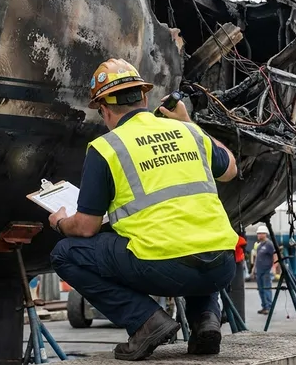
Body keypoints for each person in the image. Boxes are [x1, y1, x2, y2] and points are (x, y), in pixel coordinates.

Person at [49, 58, 239, 361]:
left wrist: (60, 222)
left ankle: (145, 321)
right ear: (145, 98)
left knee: (64, 253)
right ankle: (205, 319)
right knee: (196, 237)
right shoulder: (189, 133)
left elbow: (86, 227)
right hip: (223, 267)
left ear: (105, 109)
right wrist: (188, 122)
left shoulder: (106, 147)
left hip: (164, 270)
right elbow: (230, 167)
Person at [251, 225, 278, 315]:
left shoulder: (269, 244)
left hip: (266, 270)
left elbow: (275, 256)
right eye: (258, 233)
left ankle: (269, 307)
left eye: (260, 233)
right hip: (259, 271)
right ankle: (264, 306)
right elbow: (257, 258)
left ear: (265, 234)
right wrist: (253, 270)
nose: (258, 235)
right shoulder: (259, 246)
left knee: (267, 288)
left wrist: (274, 267)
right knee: (261, 289)